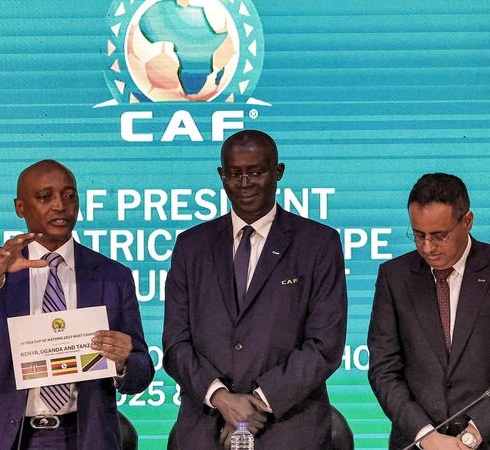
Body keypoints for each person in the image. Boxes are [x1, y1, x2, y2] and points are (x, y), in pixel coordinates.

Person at [0, 160, 153, 450]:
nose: (60, 206)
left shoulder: (112, 276)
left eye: (69, 196)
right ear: (20, 207)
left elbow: (141, 373)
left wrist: (122, 362)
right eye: (46, 197)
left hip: (84, 438)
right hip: (4, 439)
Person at [163, 129, 348, 449]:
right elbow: (175, 343)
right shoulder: (191, 246)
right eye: (235, 174)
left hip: (289, 430)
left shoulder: (318, 243)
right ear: (221, 175)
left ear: (278, 172)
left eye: (256, 172)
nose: (245, 183)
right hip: (205, 431)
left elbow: (324, 345)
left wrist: (257, 404)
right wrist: (221, 398)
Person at [368, 173, 489, 450]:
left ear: (467, 222)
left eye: (439, 236)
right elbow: (383, 369)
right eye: (418, 235)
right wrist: (425, 435)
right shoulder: (394, 277)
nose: (427, 247)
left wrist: (474, 433)